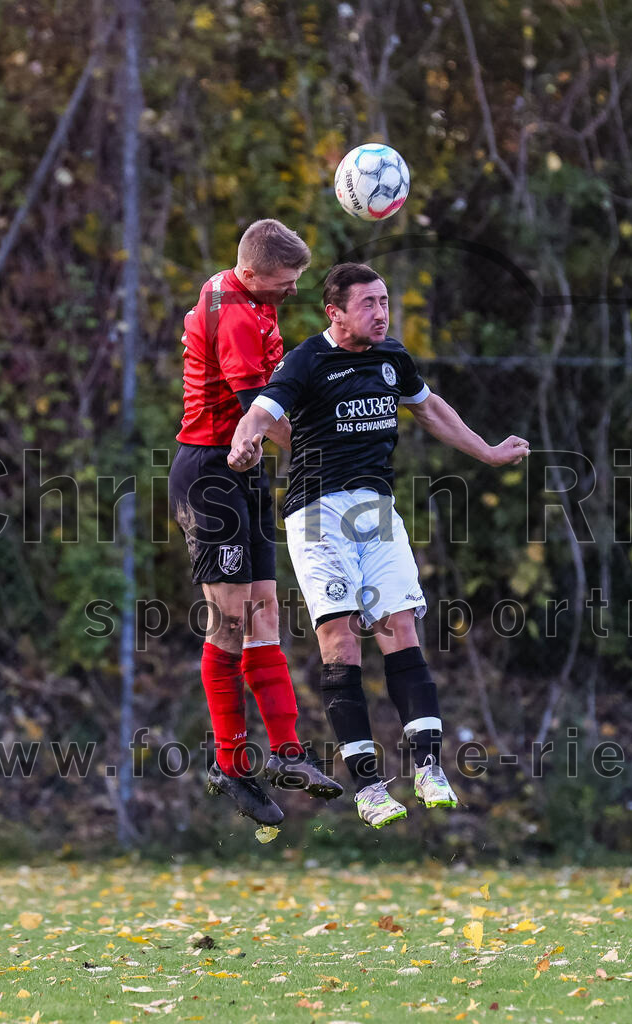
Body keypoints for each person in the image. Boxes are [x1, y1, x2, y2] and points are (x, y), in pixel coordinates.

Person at [226, 262, 530, 827]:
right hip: (317, 514)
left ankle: (428, 769)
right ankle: (368, 788)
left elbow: (429, 407)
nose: (381, 312)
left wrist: (488, 452)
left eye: (385, 301)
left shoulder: (392, 357)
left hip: (377, 510)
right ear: (335, 314)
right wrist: (245, 442)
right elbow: (262, 411)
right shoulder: (307, 360)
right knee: (340, 639)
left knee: (401, 627)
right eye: (368, 303)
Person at [169, 219, 343, 828]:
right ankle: (230, 762)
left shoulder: (245, 292)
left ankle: (289, 753)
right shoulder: (239, 316)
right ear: (250, 273)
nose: (292, 290)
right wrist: (327, 458)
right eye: (283, 281)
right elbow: (258, 413)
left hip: (241, 471)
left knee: (265, 612)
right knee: (229, 622)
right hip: (209, 473)